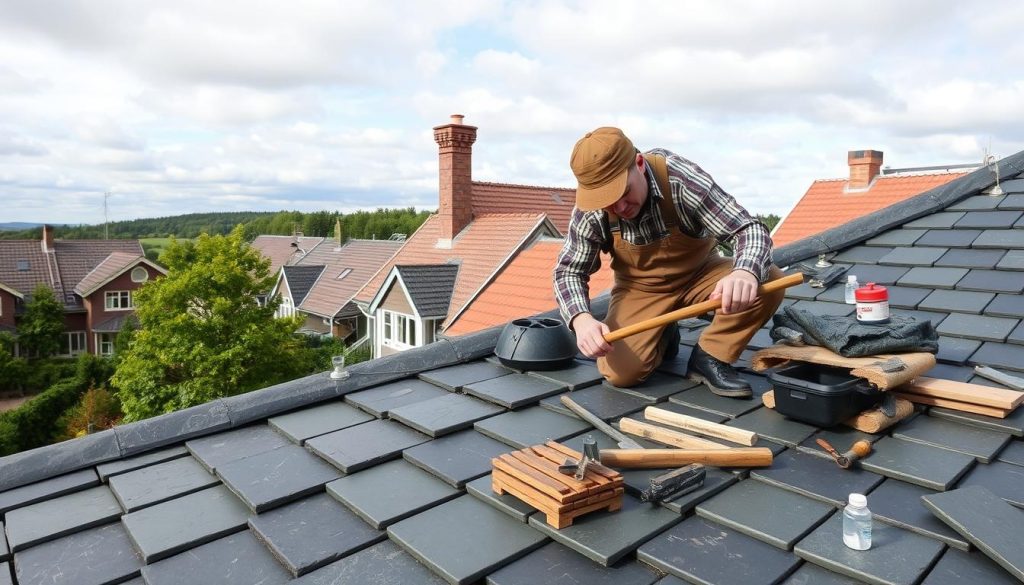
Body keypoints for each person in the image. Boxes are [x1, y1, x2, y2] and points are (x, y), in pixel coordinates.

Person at [554, 127, 785, 398]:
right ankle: (663, 332)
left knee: (768, 278)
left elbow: (748, 229)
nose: (620, 209)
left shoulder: (680, 178)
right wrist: (581, 320)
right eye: (608, 203)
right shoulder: (590, 208)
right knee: (621, 374)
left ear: (638, 164)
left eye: (624, 193)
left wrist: (745, 273)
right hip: (641, 291)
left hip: (701, 276)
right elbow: (569, 270)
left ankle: (710, 356)